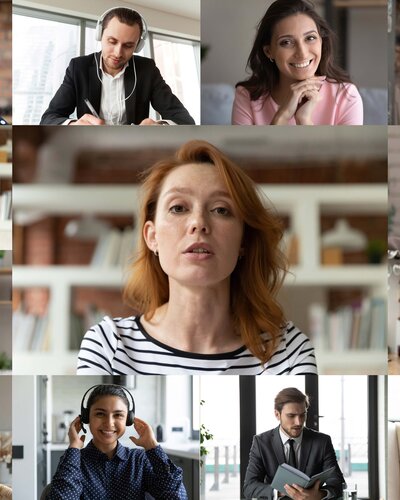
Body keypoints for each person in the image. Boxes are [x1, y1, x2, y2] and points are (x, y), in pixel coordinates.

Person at [78, 139, 317, 375]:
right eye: (178, 208)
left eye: (221, 210)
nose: (199, 223)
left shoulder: (289, 353)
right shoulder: (109, 347)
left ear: (243, 239)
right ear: (152, 237)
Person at [40, 7, 195, 126]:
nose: (118, 53)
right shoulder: (78, 67)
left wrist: (160, 126)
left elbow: (184, 119)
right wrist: (73, 124)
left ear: (138, 45)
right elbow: (49, 118)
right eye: (112, 41)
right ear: (100, 35)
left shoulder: (147, 70)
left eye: (128, 45)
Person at [232, 0, 363, 125]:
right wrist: (282, 116)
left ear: (321, 42)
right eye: (286, 42)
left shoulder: (346, 96)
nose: (302, 53)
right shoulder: (247, 96)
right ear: (268, 51)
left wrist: (304, 120)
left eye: (310, 38)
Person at [48, 384, 188, 499]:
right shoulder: (74, 461)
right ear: (86, 418)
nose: (109, 423)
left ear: (128, 419)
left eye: (118, 415)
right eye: (100, 414)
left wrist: (152, 446)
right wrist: (74, 447)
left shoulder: (139, 460)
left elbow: (177, 497)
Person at [243, 387, 345, 499]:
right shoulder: (261, 442)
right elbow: (249, 487)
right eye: (291, 416)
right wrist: (281, 492)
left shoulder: (322, 441)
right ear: (277, 414)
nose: (299, 422)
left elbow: (338, 482)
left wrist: (319, 495)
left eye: (303, 415)